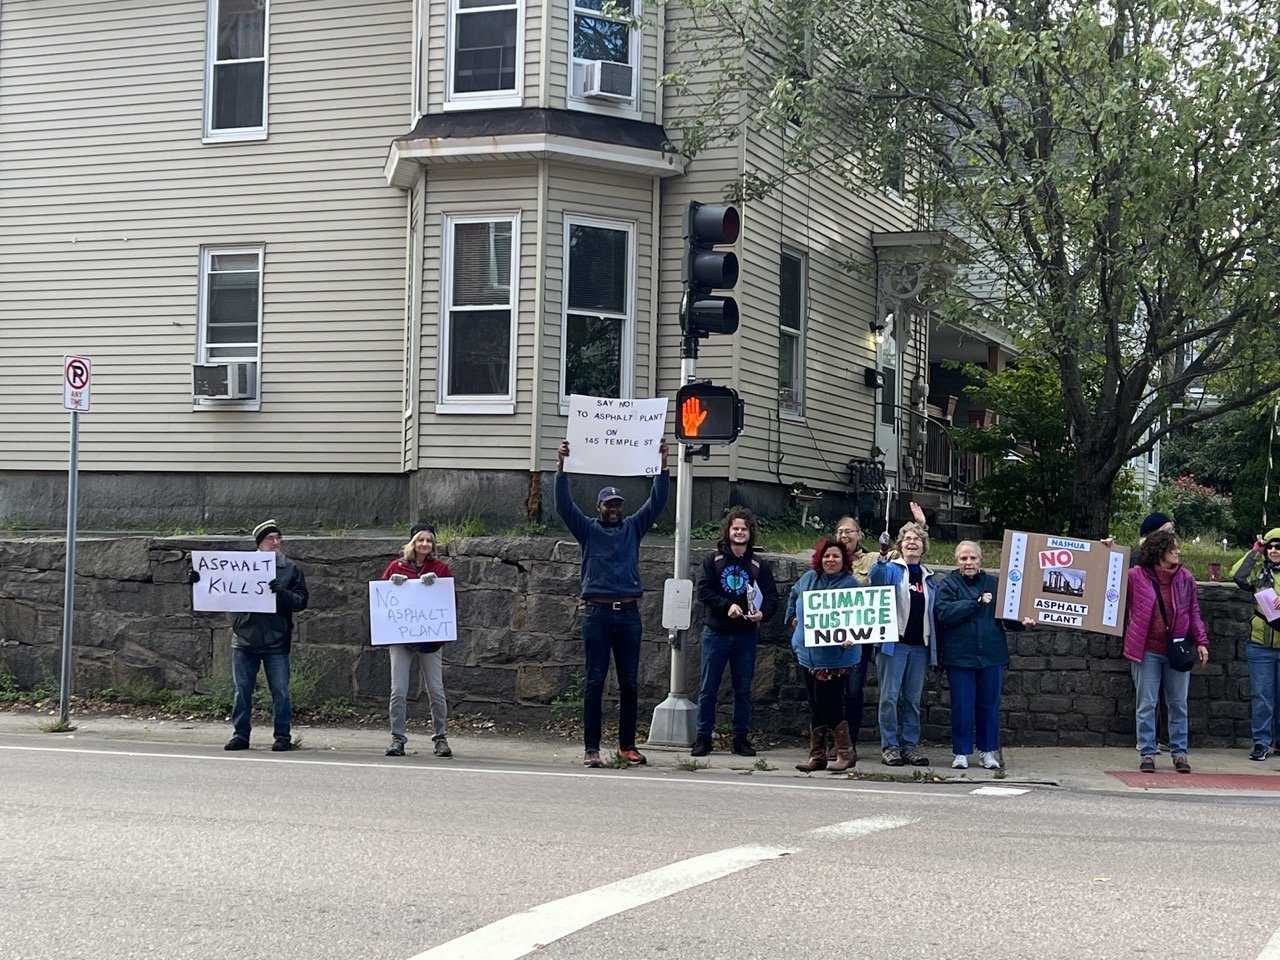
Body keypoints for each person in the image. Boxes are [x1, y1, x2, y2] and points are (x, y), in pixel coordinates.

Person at [555, 438, 669, 768]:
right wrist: (561, 468)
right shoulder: (587, 530)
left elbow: (657, 502)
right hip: (597, 615)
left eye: (617, 503)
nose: (614, 508)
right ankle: (591, 748)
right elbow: (564, 507)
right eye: (608, 504)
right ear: (599, 507)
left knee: (630, 683)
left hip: (629, 615)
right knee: (594, 682)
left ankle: (626, 746)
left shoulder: (633, 528)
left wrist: (663, 466)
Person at [190, 519, 309, 752]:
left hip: (276, 639)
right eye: (270, 538)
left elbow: (301, 601)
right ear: (259, 542)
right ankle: (240, 735)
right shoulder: (240, 566)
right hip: (244, 638)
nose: (276, 542)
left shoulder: (291, 568)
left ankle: (282, 736)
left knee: (280, 691)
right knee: (242, 691)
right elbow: (216, 585)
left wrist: (282, 593)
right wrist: (197, 580)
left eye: (278, 537)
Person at [934, 541, 1031, 770]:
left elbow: (1008, 616)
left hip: (991, 654)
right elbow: (944, 613)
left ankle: (988, 751)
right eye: (963, 558)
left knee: (989, 706)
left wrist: (1023, 623)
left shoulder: (994, 584)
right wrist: (974, 603)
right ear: (956, 561)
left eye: (973, 558)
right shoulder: (948, 584)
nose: (968, 563)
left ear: (981, 560)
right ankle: (961, 752)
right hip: (960, 656)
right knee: (962, 705)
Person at [692, 508, 779, 757]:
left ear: (751, 533)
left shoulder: (758, 565)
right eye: (735, 528)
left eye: (744, 529)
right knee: (708, 688)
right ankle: (703, 737)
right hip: (716, 633)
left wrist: (762, 614)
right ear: (728, 531)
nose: (739, 532)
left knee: (743, 690)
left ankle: (740, 738)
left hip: (745, 635)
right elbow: (704, 591)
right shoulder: (713, 561)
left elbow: (771, 597)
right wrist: (725, 606)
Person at [1124, 530, 1210, 773]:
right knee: (1146, 703)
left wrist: (1201, 641)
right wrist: (1107, 550)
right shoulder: (1135, 576)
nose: (1177, 552)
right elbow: (1109, 580)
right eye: (1172, 548)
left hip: (1176, 647)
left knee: (1178, 703)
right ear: (1159, 551)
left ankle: (1179, 753)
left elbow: (1193, 612)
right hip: (1146, 648)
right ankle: (1147, 752)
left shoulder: (1185, 578)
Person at [380, 523, 453, 758]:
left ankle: (440, 737)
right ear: (412, 543)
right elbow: (381, 599)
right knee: (398, 690)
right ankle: (397, 738)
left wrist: (438, 587)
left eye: (429, 540)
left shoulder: (441, 568)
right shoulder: (396, 566)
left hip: (430, 639)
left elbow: (450, 602)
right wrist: (392, 585)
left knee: (436, 690)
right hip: (401, 638)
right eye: (420, 540)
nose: (424, 544)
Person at [790, 538, 862, 772]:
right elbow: (793, 595)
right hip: (807, 655)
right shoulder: (808, 579)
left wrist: (852, 635)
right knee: (815, 706)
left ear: (844, 560)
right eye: (827, 556)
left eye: (836, 556)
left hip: (835, 658)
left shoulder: (850, 585)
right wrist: (792, 618)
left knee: (828, 704)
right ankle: (817, 756)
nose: (830, 560)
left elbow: (859, 617)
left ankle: (845, 752)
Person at [870, 519, 937, 767]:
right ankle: (890, 746)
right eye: (907, 538)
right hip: (894, 644)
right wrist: (882, 553)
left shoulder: (929, 577)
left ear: (923, 546)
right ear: (900, 544)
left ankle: (910, 745)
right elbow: (876, 579)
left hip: (919, 646)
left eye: (917, 539)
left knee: (912, 699)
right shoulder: (892, 569)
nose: (912, 542)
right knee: (889, 697)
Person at [1230, 527, 1280, 762]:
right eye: (1270, 546)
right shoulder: (1259, 571)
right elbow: (1238, 576)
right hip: (1260, 644)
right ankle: (1261, 742)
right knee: (1262, 696)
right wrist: (1255, 552)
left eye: (1279, 547)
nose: (1274, 550)